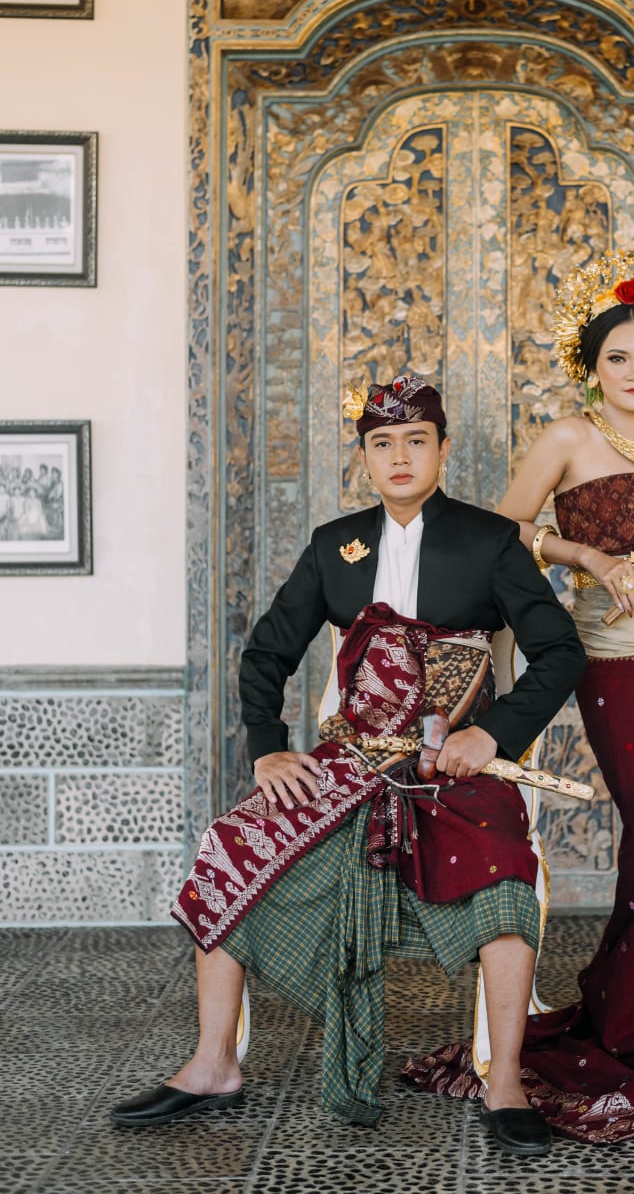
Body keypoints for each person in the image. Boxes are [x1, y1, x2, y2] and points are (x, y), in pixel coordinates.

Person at [112, 374, 586, 1157]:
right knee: (230, 841)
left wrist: (492, 736)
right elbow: (266, 653)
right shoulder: (335, 547)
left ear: (442, 449)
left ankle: (503, 1079)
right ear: (363, 456)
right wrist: (268, 745)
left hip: (454, 773)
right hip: (348, 762)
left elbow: (561, 651)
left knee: (506, 872)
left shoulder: (490, 540)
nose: (399, 457)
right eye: (382, 443)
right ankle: (213, 1062)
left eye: (416, 441)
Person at [406, 250, 634, 1141]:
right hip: (612, 663)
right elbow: (500, 531)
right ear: (592, 366)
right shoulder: (565, 440)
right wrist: (581, 553)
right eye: (618, 357)